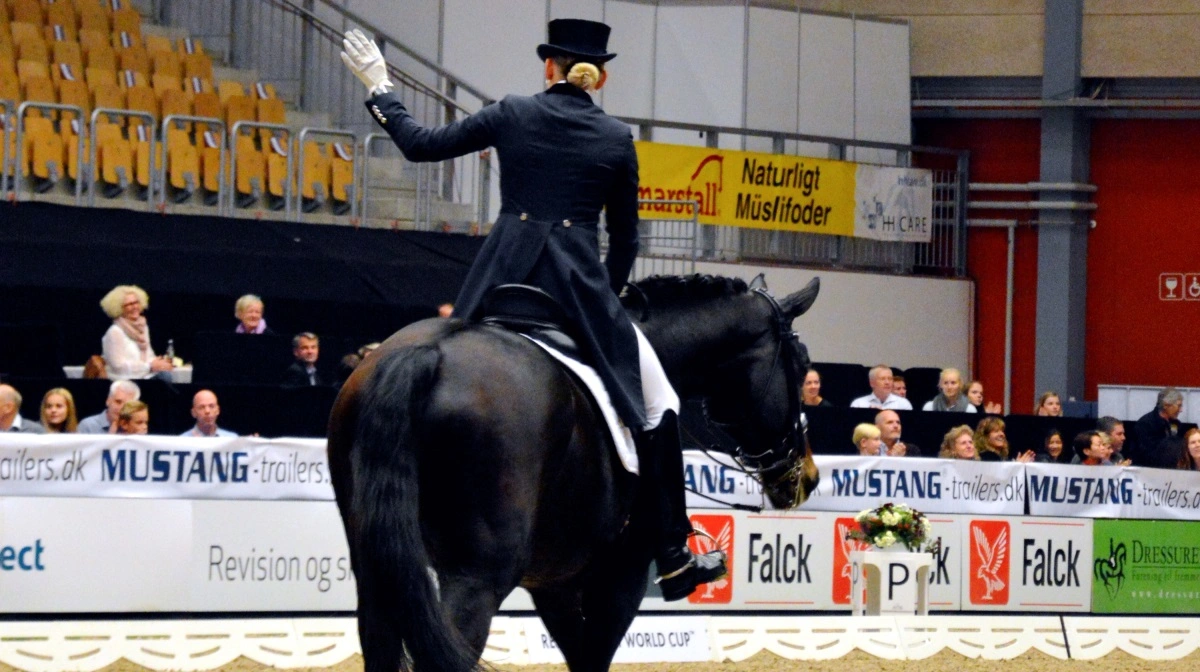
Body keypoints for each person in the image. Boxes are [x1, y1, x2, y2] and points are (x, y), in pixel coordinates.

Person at [340, 19, 724, 598]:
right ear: (600, 77)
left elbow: (420, 145)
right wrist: (605, 298)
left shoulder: (512, 112)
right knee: (657, 403)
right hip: (578, 296)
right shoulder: (617, 138)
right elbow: (627, 242)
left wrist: (380, 87)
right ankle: (673, 553)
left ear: (550, 66)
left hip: (500, 282)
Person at [99, 284, 174, 380]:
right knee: (164, 378)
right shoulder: (115, 332)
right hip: (123, 381)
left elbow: (148, 355)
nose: (134, 307)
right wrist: (149, 366)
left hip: (143, 377)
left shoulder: (142, 326)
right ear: (119, 308)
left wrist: (159, 363)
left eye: (136, 302)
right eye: (129, 304)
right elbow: (118, 366)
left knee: (166, 374)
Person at [1131, 388, 1185, 469]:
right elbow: (1145, 453)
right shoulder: (1145, 424)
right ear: (1166, 405)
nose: (1181, 410)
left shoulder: (1176, 424)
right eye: (1179, 406)